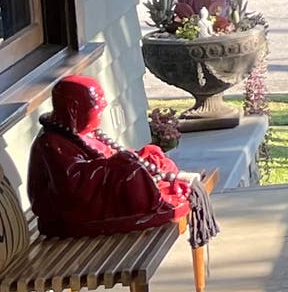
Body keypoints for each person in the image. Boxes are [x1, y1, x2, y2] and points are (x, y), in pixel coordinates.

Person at [26, 75, 219, 248]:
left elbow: (108, 154)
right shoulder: (51, 144)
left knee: (152, 154)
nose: (100, 116)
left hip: (103, 186)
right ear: (73, 110)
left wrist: (131, 158)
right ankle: (156, 198)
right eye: (96, 110)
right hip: (73, 210)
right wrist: (113, 166)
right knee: (132, 173)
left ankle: (160, 186)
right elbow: (72, 188)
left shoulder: (82, 133)